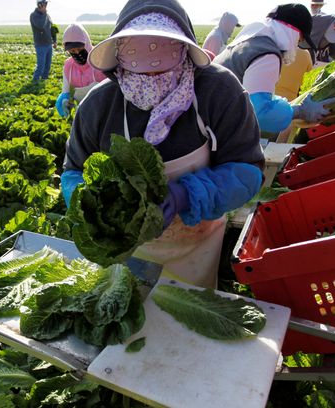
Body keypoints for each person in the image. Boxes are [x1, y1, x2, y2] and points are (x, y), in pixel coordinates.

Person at [61, 0, 265, 288]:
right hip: (125, 249)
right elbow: (73, 173)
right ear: (119, 62)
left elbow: (247, 168)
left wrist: (187, 195)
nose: (151, 83)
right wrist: (102, 208)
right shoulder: (98, 105)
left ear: (184, 54)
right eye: (140, 75)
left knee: (186, 315)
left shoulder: (218, 91)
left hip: (197, 241)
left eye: (162, 73)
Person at [213, 4, 335, 135]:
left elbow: (252, 94)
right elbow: (260, 112)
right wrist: (299, 111)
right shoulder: (267, 54)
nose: (296, 45)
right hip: (219, 128)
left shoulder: (249, 42)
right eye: (299, 40)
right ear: (293, 32)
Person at [55, 23, 107, 117]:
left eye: (80, 48)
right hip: (81, 114)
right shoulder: (68, 66)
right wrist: (65, 100)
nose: (77, 53)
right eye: (72, 51)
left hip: (104, 113)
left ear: (86, 43)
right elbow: (66, 91)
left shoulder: (101, 61)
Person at [30, 0, 57, 81]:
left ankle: (44, 79)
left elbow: (53, 28)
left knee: (47, 65)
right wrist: (44, 13)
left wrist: (55, 40)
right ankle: (35, 81)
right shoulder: (34, 15)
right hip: (40, 45)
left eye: (46, 3)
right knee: (41, 66)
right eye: (45, 4)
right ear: (39, 5)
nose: (46, 5)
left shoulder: (47, 16)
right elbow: (41, 26)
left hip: (49, 44)